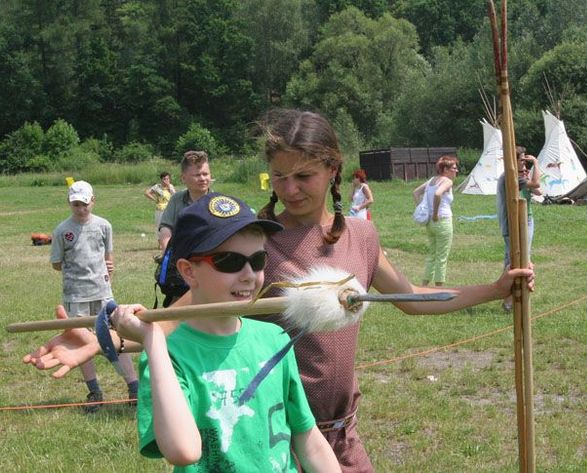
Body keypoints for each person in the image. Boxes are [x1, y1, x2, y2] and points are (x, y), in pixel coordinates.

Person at [24, 109, 534, 472]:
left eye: (304, 175)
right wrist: (96, 339)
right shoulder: (253, 246)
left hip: (340, 429)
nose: (290, 189)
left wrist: (493, 289)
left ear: (333, 169)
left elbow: (409, 296)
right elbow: (179, 317)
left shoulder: (360, 235)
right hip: (272, 432)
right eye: (280, 176)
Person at [113, 193, 340, 472]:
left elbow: (308, 438)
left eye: (257, 260)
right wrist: (153, 340)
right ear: (189, 271)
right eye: (229, 262)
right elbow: (183, 450)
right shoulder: (167, 355)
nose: (248, 274)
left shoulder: (274, 339)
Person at [50, 180, 138, 412]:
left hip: (102, 294)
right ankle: (94, 391)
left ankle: (134, 386)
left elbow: (109, 256)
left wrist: (108, 268)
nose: (80, 209)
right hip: (76, 295)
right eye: (76, 204)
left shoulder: (104, 226)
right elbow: (56, 264)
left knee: (116, 339)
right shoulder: (62, 231)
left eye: (84, 204)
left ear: (93, 201)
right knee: (81, 342)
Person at [496, 148, 542, 312]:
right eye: (522, 160)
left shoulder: (518, 176)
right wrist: (536, 163)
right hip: (514, 224)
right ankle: (509, 301)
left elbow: (538, 191)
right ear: (513, 160)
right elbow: (537, 184)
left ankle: (509, 298)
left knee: (514, 260)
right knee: (517, 262)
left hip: (523, 221)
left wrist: (526, 172)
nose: (524, 162)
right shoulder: (511, 177)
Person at [412, 155, 458, 286]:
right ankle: (439, 287)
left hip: (430, 224)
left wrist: (422, 208)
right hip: (442, 221)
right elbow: (438, 194)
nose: (456, 170)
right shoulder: (447, 181)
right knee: (442, 257)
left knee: (432, 255)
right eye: (454, 168)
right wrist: (436, 213)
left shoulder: (432, 180)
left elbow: (415, 192)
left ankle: (424, 285)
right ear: (446, 169)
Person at [158, 151, 212, 253]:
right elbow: (166, 228)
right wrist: (168, 254)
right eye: (197, 175)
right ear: (183, 178)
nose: (203, 179)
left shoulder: (218, 201)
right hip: (181, 257)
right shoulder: (176, 199)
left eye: (205, 174)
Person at [144, 172, 176, 249]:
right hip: (160, 209)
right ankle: (160, 244)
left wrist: (169, 187)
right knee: (159, 226)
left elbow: (175, 196)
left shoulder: (170, 186)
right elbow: (147, 192)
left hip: (169, 209)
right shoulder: (157, 187)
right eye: (164, 179)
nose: (166, 180)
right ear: (161, 180)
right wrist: (154, 199)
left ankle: (169, 242)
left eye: (168, 179)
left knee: (170, 226)